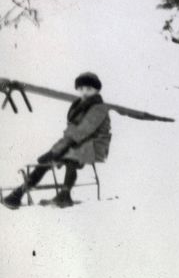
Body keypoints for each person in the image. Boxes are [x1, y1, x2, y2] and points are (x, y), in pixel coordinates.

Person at [3, 72, 112, 209]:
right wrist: (55, 150)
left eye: (89, 89)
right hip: (77, 141)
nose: (84, 92)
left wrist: (61, 148)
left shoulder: (99, 108)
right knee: (46, 161)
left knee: (71, 156)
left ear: (96, 90)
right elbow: (72, 132)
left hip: (95, 143)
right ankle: (18, 194)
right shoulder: (78, 105)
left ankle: (64, 195)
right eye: (81, 89)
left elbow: (84, 130)